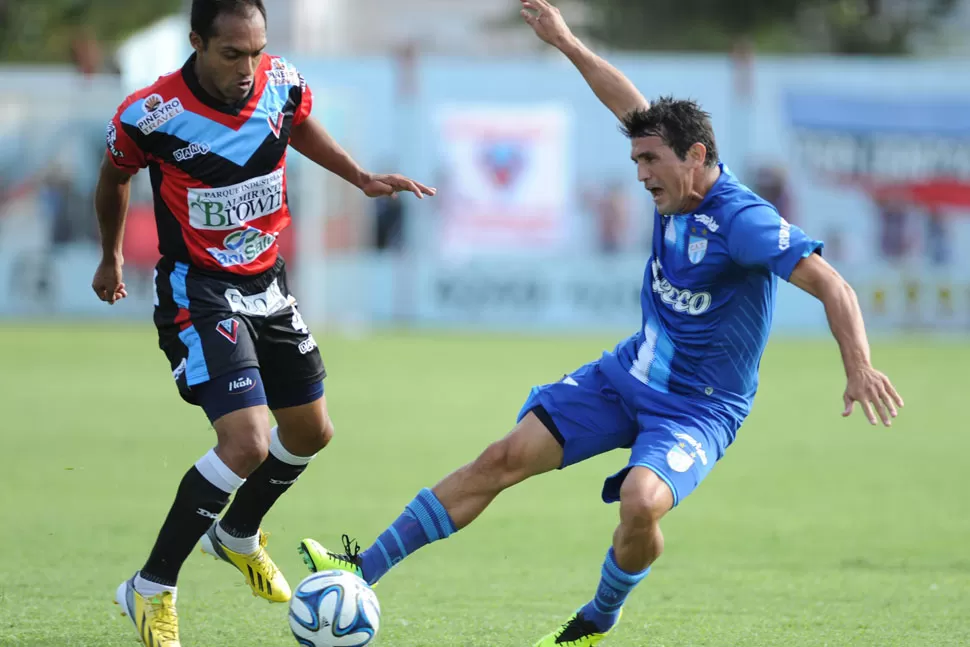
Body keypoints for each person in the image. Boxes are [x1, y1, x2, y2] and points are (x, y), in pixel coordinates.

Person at [299, 1, 903, 646]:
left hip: (699, 410)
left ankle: (597, 619)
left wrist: (859, 366)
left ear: (696, 155)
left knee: (642, 504)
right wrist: (565, 40)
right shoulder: (676, 177)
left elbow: (832, 283)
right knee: (502, 457)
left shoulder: (743, 221)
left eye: (651, 162)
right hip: (627, 374)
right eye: (637, 160)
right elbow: (626, 101)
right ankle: (359, 569)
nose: (640, 174)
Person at [92, 1, 434, 645]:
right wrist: (110, 254)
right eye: (231, 54)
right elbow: (113, 177)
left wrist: (359, 176)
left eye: (256, 50)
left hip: (269, 284)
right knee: (247, 443)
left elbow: (297, 123)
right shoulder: (152, 114)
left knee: (310, 430)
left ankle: (236, 532)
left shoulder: (280, 79)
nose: (248, 67)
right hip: (201, 290)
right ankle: (149, 587)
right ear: (196, 43)